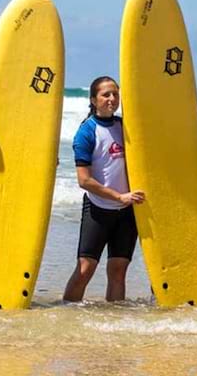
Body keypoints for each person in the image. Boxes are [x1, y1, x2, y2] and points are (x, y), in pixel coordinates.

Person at [63, 76, 145, 302]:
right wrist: (119, 196)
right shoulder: (86, 132)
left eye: (115, 94)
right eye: (105, 94)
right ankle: (67, 315)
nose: (111, 99)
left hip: (127, 212)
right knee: (85, 269)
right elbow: (84, 180)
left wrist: (194, 138)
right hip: (98, 209)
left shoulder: (125, 128)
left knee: (118, 271)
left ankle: (113, 320)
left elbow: (158, 141)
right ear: (93, 99)